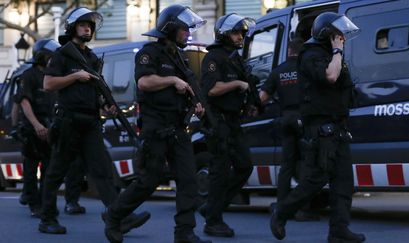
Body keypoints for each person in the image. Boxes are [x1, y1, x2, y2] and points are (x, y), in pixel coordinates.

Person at [102, 5, 211, 243]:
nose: (187, 34)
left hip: (178, 127)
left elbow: (186, 88)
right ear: (170, 29)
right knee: (148, 181)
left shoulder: (180, 58)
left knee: (188, 180)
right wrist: (172, 80)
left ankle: (184, 232)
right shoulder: (148, 52)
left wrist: (197, 104)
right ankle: (114, 216)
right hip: (156, 128)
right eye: (183, 29)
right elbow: (144, 82)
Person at [38, 7, 150, 234]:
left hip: (90, 122)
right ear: (72, 28)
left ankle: (118, 216)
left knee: (103, 169)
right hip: (68, 121)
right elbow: (48, 85)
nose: (87, 28)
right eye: (82, 24)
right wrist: (74, 76)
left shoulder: (91, 57)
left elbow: (94, 91)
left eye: (90, 25)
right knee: (57, 171)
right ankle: (47, 218)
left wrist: (105, 105)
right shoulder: (62, 55)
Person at [269, 12, 365, 243]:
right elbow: (330, 77)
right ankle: (281, 212)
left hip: (338, 128)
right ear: (327, 34)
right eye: (338, 34)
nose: (342, 38)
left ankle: (339, 231)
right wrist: (338, 51)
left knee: (343, 183)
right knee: (314, 181)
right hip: (321, 130)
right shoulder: (310, 55)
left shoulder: (330, 55)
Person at [198, 13, 254, 238]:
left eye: (242, 32)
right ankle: (213, 220)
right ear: (224, 34)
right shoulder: (214, 58)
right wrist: (237, 84)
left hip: (233, 121)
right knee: (219, 172)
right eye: (235, 32)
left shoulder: (235, 58)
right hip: (217, 122)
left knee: (244, 166)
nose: (240, 36)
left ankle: (212, 207)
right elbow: (211, 90)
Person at [260, 37, 320, 222]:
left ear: (288, 51)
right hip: (305, 119)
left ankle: (281, 205)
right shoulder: (306, 68)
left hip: (286, 119)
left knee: (286, 165)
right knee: (306, 164)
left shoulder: (278, 71)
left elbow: (262, 97)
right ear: (301, 51)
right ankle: (303, 208)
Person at [16, 39, 59, 217]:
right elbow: (24, 102)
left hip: (50, 127)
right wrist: (36, 125)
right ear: (41, 56)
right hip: (33, 129)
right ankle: (34, 203)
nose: (52, 59)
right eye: (49, 56)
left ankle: (47, 203)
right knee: (31, 168)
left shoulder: (53, 77)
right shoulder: (29, 75)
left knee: (50, 169)